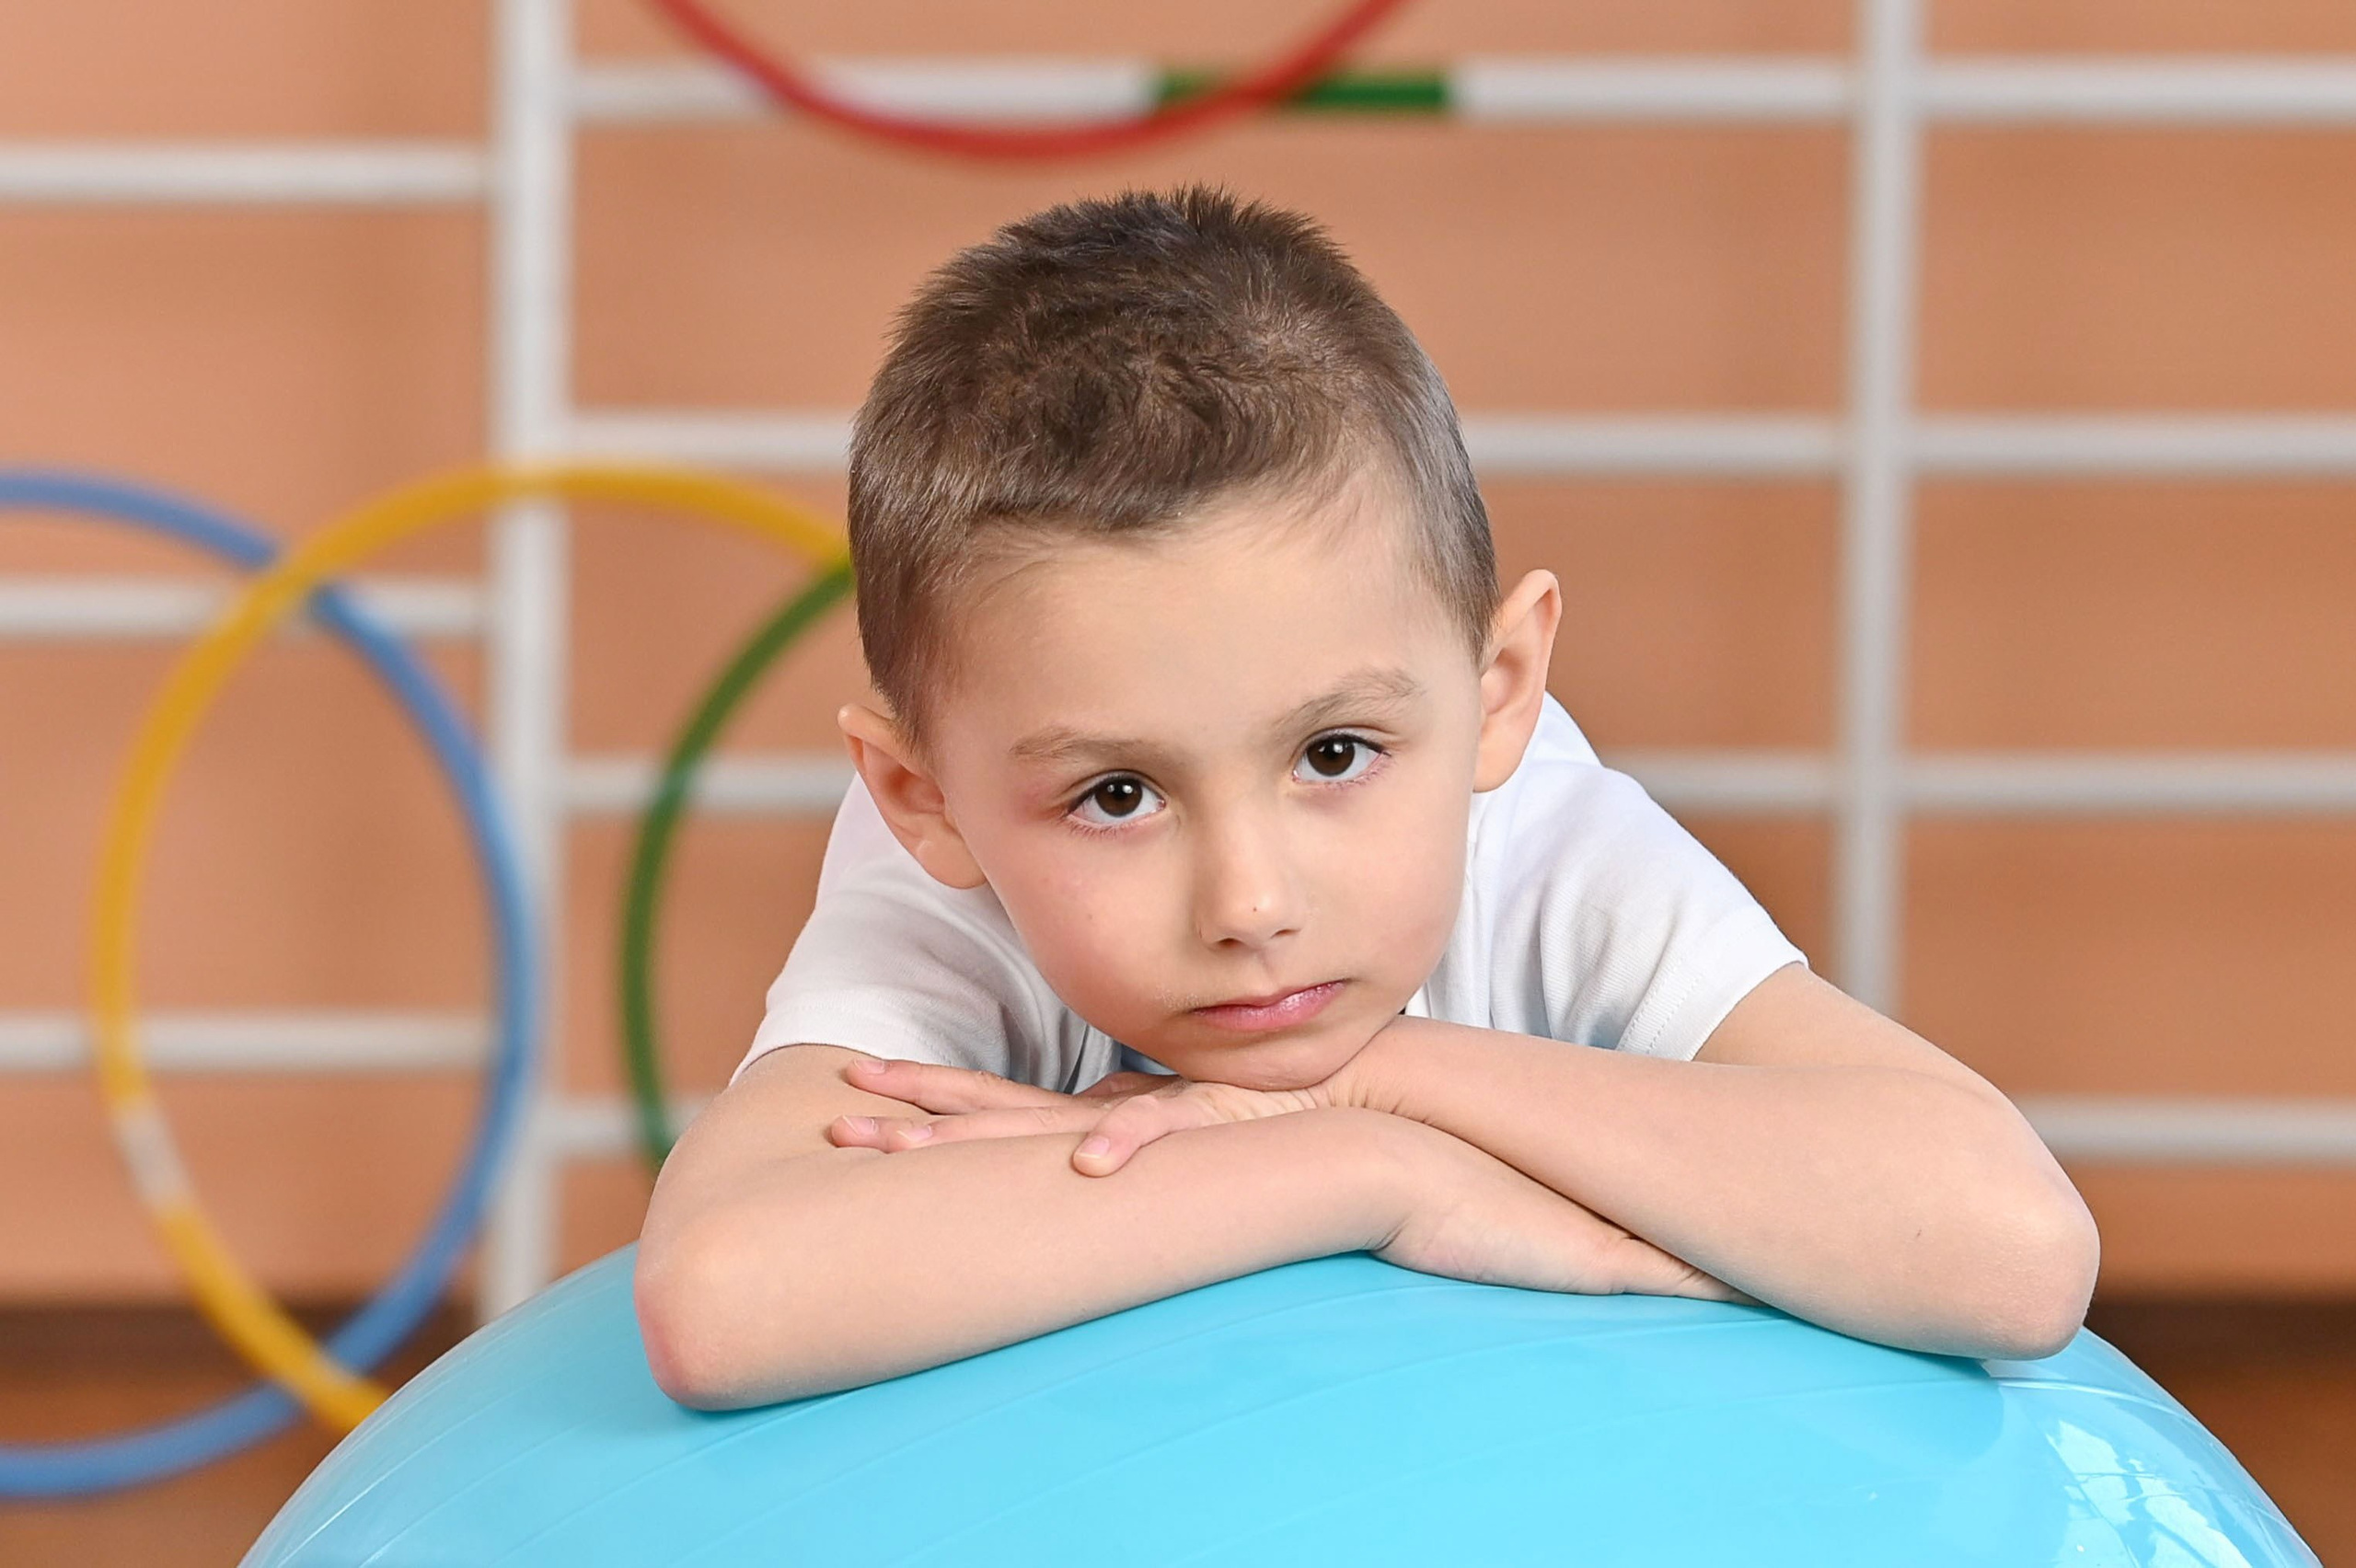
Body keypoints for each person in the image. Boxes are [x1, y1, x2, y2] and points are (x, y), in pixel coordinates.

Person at [634, 185, 2099, 1412]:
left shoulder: (1545, 846)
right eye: (1121, 795)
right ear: (920, 795)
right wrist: (1374, 1177)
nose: (1251, 905)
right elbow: (724, 1301)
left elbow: (2012, 1252)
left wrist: (1377, 1076)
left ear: (1501, 688)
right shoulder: (950, 866)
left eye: (1334, 755)